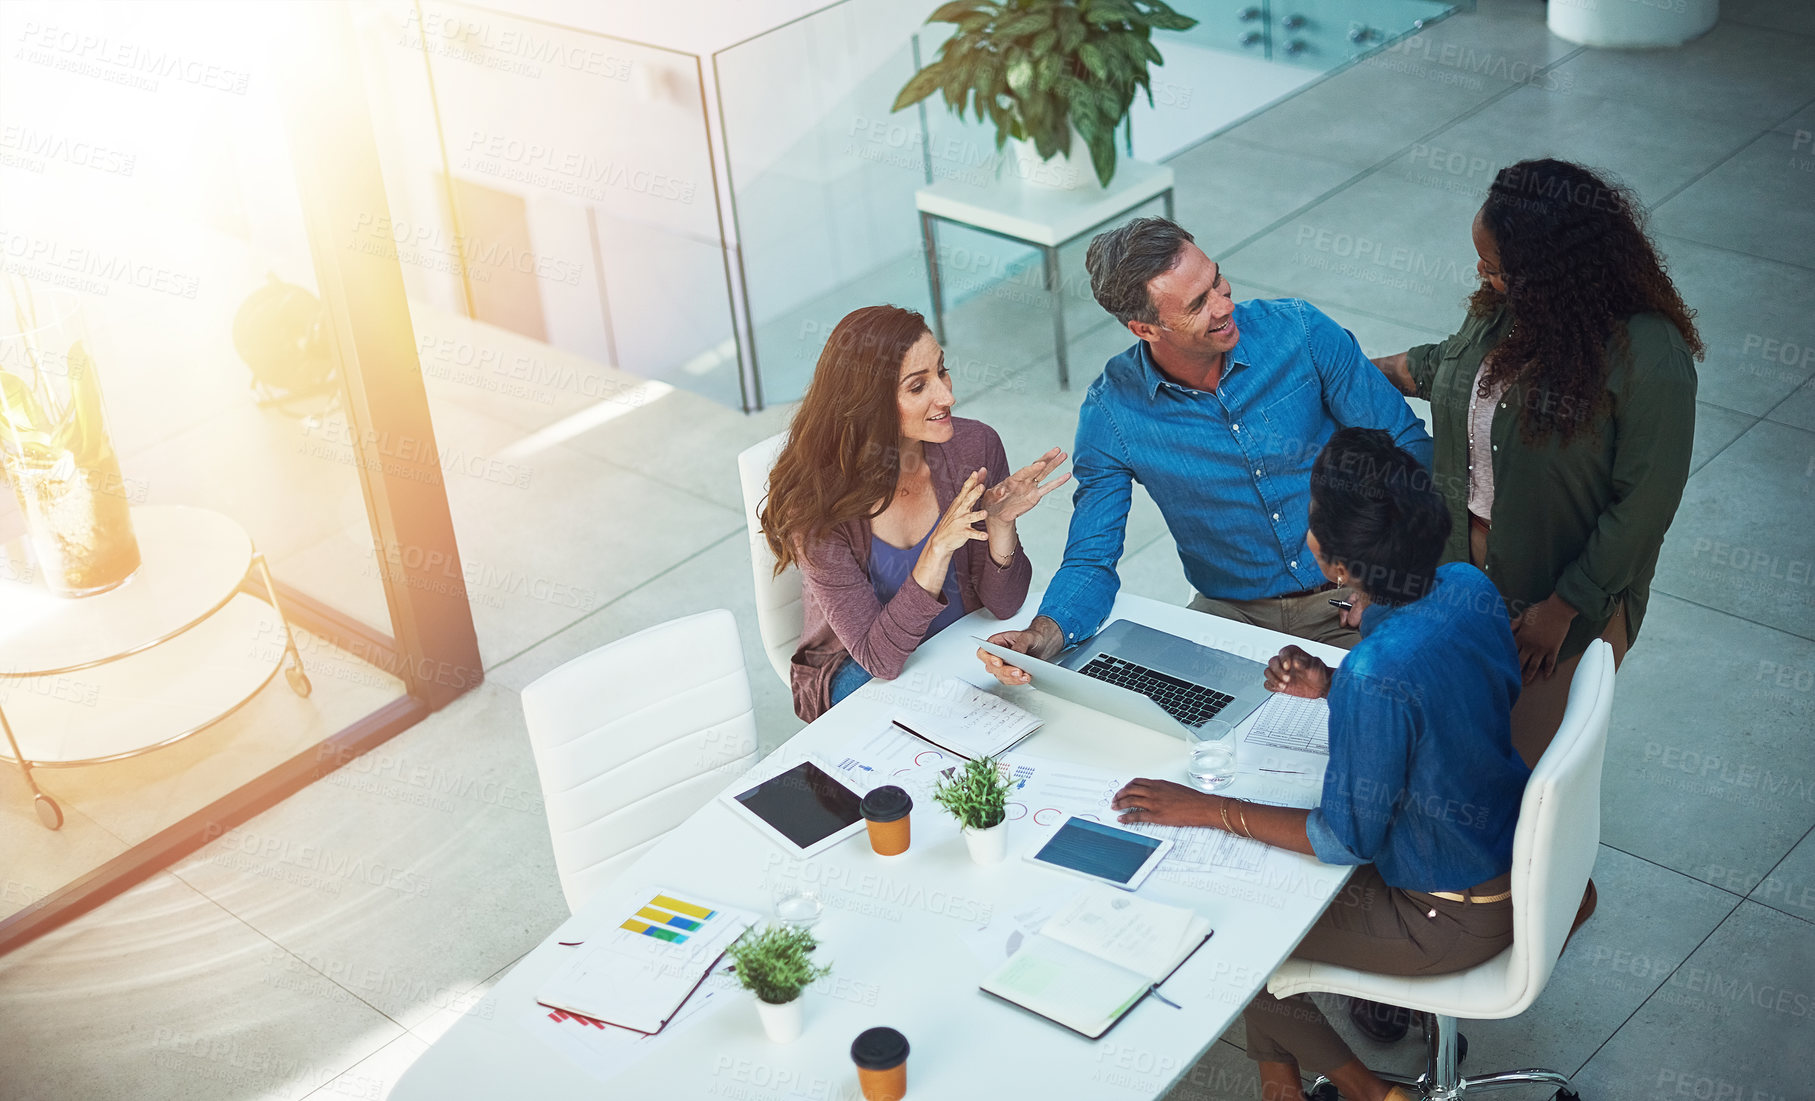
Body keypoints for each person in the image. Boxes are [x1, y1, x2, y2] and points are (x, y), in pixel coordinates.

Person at [1111, 427, 1530, 1101]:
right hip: (1511, 862)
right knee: (1259, 885)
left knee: (1233, 934)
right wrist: (1334, 687)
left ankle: (1366, 1090)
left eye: (1310, 519)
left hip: (1446, 915)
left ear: (1337, 565)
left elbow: (1343, 839)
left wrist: (1205, 808)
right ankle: (1280, 1085)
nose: (1305, 529)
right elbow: (1454, 695)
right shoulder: (1466, 585)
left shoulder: (1375, 669)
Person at [976, 217, 1431, 688]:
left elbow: (1409, 448)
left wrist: (1388, 577)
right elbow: (1092, 558)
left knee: (1393, 709)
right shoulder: (1112, 414)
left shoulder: (1301, 333)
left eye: (1217, 280)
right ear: (1145, 328)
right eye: (1198, 304)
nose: (1224, 303)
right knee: (1172, 731)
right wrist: (1042, 636)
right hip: (1229, 617)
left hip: (1350, 596)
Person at [1371, 158, 1700, 767]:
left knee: (1515, 782)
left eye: (1495, 268)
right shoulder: (1507, 311)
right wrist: (1364, 371)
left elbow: (1644, 508)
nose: (1482, 274)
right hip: (1461, 575)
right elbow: (1452, 363)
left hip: (1557, 603)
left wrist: (1562, 608)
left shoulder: (1650, 358)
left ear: (1551, 273)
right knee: (1442, 754)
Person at [761, 305, 1069, 722]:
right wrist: (937, 550)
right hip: (860, 666)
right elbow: (880, 659)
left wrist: (999, 525)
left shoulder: (974, 447)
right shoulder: (817, 508)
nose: (947, 395)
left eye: (942, 372)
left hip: (957, 639)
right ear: (869, 403)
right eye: (917, 386)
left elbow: (1005, 603)